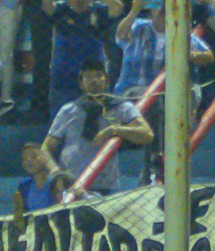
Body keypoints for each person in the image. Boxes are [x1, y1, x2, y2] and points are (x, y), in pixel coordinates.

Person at [43, 56, 148, 192]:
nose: (94, 80)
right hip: (71, 185)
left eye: (98, 76)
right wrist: (55, 171)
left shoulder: (121, 107)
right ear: (81, 84)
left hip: (105, 186)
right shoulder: (68, 110)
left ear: (107, 81)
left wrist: (115, 130)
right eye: (88, 77)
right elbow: (45, 148)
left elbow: (146, 134)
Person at [12, 136, 67, 206]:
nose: (29, 161)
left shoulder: (55, 182)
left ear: (45, 158)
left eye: (34, 156)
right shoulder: (24, 186)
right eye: (25, 158)